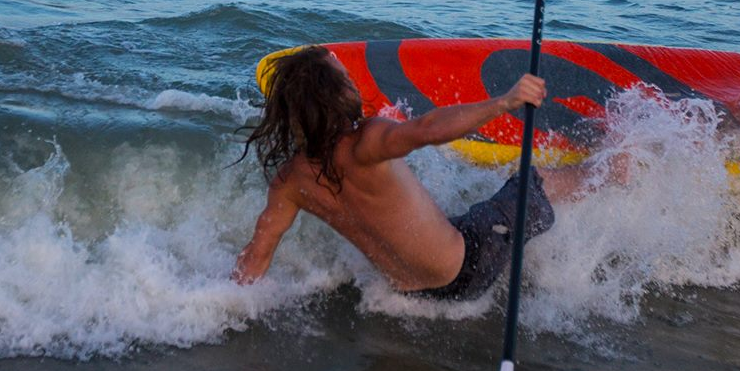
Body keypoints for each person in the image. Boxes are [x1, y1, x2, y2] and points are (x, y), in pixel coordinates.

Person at [233, 45, 587, 300]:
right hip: (469, 268)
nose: (354, 82)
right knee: (532, 180)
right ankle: (618, 169)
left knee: (461, 217)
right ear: (333, 95)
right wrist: (505, 102)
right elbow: (428, 128)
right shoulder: (366, 142)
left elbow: (256, 257)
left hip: (410, 295)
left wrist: (215, 308)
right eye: (344, 76)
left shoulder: (289, 180)